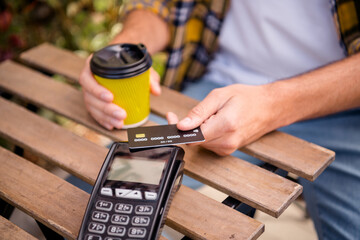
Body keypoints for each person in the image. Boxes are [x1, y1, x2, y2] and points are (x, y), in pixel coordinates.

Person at [79, 0, 360, 239]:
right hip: (219, 89)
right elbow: (162, 5)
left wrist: (272, 104)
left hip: (342, 104)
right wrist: (121, 55)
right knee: (84, 195)